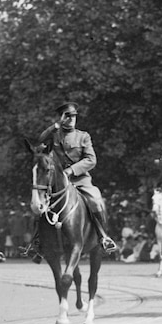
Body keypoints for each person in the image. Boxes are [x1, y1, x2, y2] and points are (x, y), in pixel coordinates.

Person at [33, 101, 118, 256]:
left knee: (96, 200)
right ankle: (37, 242)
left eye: (73, 116)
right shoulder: (54, 135)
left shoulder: (83, 136)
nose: (71, 119)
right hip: (57, 183)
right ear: (61, 118)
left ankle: (103, 237)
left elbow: (91, 160)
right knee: (39, 205)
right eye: (67, 116)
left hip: (80, 181)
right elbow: (38, 142)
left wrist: (71, 170)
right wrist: (55, 126)